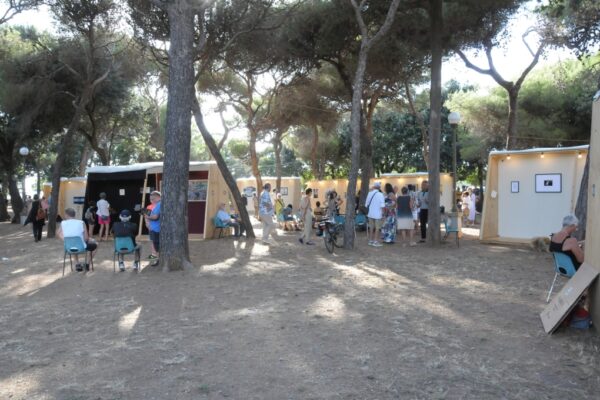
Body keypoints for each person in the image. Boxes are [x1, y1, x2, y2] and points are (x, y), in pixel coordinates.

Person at [365, 182, 385, 247]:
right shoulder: (380, 194)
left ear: (374, 187)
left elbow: (366, 204)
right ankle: (375, 241)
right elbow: (382, 205)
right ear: (379, 188)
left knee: (371, 227)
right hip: (378, 214)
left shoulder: (369, 193)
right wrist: (383, 214)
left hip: (370, 213)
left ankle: (370, 240)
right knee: (377, 228)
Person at [145, 191, 161, 266]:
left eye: (153, 199)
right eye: (150, 199)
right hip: (152, 228)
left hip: (155, 229)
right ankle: (153, 257)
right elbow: (146, 216)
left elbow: (154, 217)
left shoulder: (159, 205)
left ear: (158, 197)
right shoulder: (149, 206)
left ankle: (156, 259)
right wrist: (147, 223)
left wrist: (147, 217)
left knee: (156, 244)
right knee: (153, 243)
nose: (151, 200)